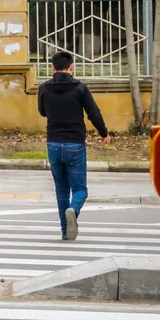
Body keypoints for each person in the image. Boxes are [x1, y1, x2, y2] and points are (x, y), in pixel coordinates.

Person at [38, 51, 111, 241]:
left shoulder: (44, 88)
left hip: (53, 143)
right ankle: (74, 208)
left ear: (52, 68)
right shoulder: (80, 88)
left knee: (61, 189)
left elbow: (42, 112)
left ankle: (65, 230)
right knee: (80, 189)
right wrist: (104, 133)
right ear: (72, 67)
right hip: (75, 144)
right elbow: (93, 113)